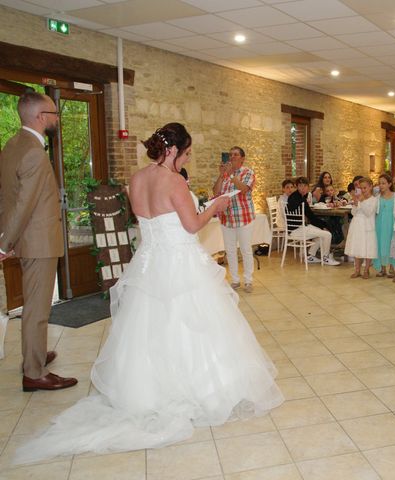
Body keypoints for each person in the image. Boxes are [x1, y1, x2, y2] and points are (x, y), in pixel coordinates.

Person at [14, 123, 284, 464]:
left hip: (149, 262)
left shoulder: (136, 180)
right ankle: (201, 390)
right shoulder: (174, 180)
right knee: (193, 324)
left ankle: (145, 391)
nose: (186, 158)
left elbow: (150, 220)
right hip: (179, 263)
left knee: (149, 328)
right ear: (172, 151)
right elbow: (192, 225)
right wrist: (214, 208)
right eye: (186, 153)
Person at [0, 92, 77, 392]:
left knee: (35, 305)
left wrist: (6, 235)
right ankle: (33, 372)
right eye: (54, 113)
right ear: (41, 116)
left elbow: (7, 196)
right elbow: (24, 203)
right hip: (38, 240)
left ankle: (36, 353)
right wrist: (5, 244)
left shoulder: (12, 144)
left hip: (27, 238)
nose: (57, 118)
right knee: (37, 309)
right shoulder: (32, 151)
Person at [213, 146, 256, 293]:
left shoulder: (248, 172)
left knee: (245, 250)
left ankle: (248, 281)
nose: (232, 157)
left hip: (243, 217)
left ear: (242, 158)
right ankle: (235, 280)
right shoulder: (225, 174)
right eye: (230, 154)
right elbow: (216, 191)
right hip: (227, 218)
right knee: (230, 251)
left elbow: (243, 189)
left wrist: (231, 175)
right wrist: (221, 175)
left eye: (235, 155)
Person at [286, 177, 340, 266]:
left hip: (301, 227)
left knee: (322, 232)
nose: (302, 188)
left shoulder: (302, 198)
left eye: (304, 186)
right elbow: (291, 207)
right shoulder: (295, 197)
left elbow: (311, 216)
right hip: (296, 230)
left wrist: (324, 225)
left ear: (308, 187)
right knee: (327, 234)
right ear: (297, 187)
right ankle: (325, 258)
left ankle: (310, 256)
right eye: (300, 186)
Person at [345, 177, 378, 279]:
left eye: (365, 188)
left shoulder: (374, 199)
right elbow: (353, 213)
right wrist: (355, 203)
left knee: (368, 247)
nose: (363, 190)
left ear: (370, 187)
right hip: (357, 224)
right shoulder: (359, 198)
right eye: (361, 188)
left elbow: (368, 212)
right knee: (357, 246)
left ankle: (366, 269)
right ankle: (357, 270)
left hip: (367, 224)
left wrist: (361, 202)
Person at [372, 174, 395, 278]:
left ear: (389, 184)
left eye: (383, 183)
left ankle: (392, 267)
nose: (381, 186)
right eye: (380, 183)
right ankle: (382, 268)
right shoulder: (377, 198)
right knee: (381, 244)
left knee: (391, 244)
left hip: (391, 223)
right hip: (380, 224)